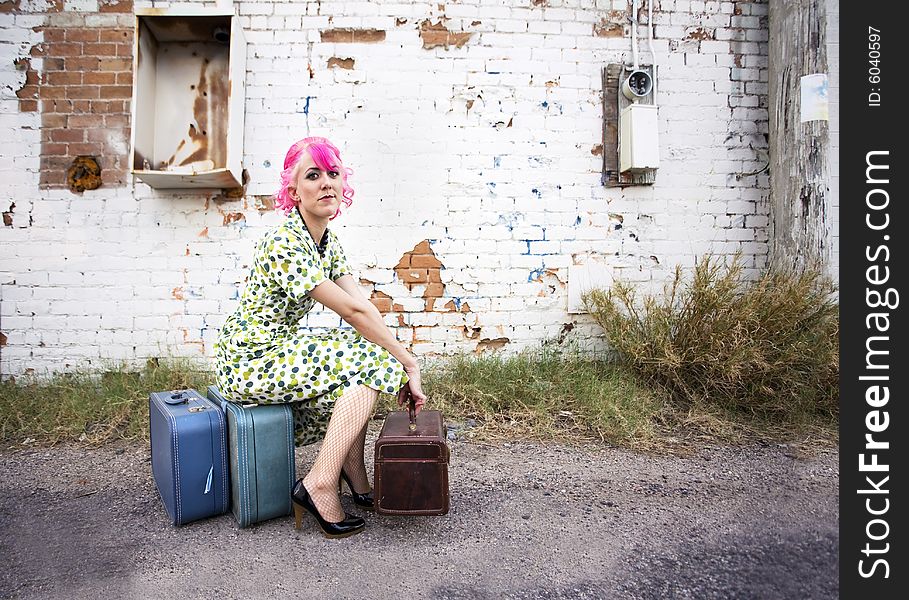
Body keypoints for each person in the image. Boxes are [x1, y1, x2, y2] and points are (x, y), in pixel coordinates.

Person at [213, 136, 427, 538]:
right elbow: (351, 312)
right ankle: (319, 483)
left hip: (275, 351)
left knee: (364, 365)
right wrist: (408, 362)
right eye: (314, 175)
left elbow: (360, 304)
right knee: (372, 359)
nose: (327, 182)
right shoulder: (285, 243)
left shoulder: (326, 241)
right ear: (293, 191)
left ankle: (352, 471)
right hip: (250, 359)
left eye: (333, 173)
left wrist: (395, 354)